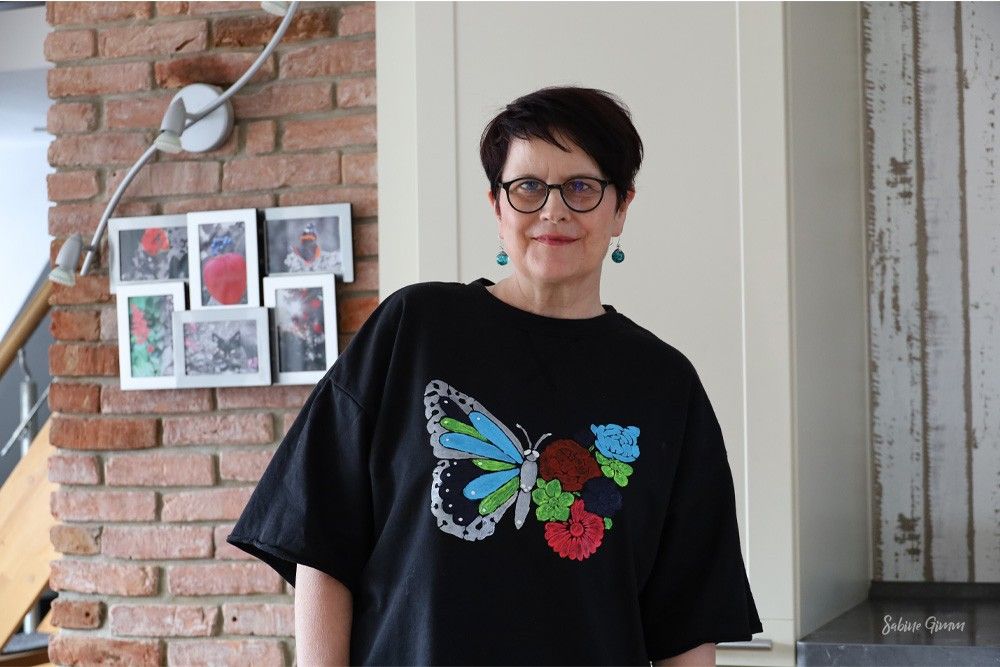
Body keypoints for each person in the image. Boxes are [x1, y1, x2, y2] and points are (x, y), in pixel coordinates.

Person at [227, 86, 763, 666]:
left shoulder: (665, 384)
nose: (553, 211)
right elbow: (320, 541)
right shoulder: (414, 329)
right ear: (497, 205)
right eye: (528, 187)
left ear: (621, 208)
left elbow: (687, 619)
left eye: (582, 187)